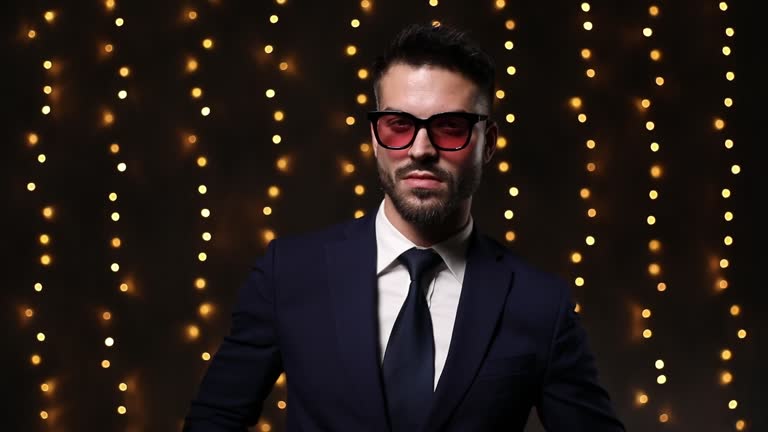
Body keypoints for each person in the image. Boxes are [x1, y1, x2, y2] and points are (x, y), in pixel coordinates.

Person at [183, 23, 625, 432]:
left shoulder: (539, 305)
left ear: (487, 144)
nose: (421, 149)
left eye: (449, 127)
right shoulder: (288, 273)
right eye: (399, 125)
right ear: (375, 138)